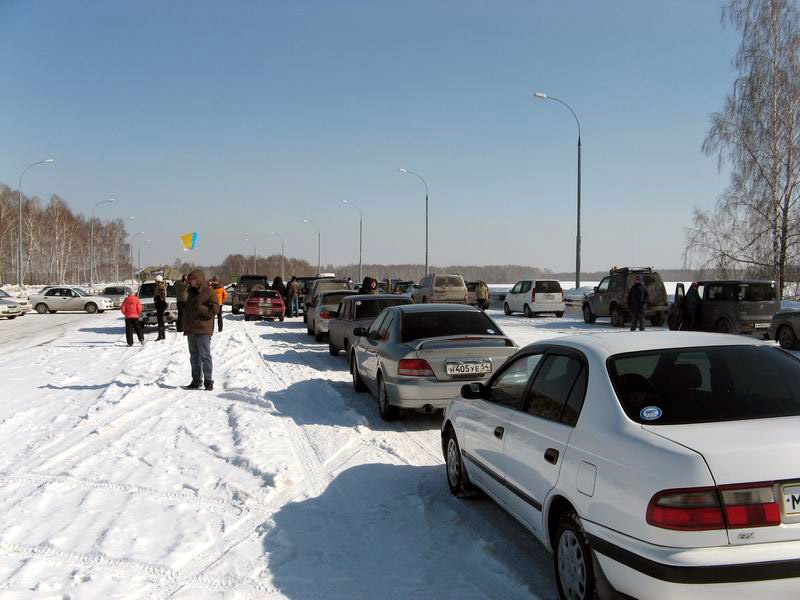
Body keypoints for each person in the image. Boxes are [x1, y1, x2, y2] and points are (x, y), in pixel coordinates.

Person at [182, 269, 219, 391]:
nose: (190, 282)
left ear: (198, 279)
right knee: (194, 357)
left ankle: (208, 382)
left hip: (203, 329)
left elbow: (215, 310)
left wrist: (200, 308)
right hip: (192, 329)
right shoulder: (191, 292)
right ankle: (196, 381)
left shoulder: (209, 291)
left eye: (192, 279)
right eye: (189, 280)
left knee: (205, 356)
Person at [153, 275, 168, 341]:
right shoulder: (158, 286)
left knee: (160, 320)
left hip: (161, 304)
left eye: (156, 280)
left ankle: (160, 335)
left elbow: (163, 296)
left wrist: (158, 297)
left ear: (158, 281)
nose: (155, 282)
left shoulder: (161, 287)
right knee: (160, 320)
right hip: (159, 304)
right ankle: (162, 335)